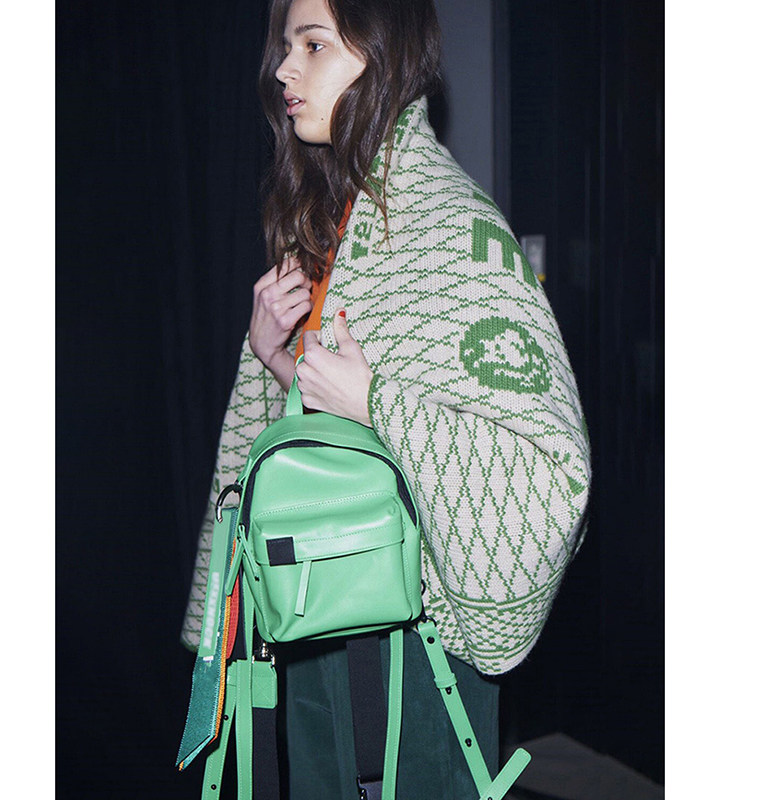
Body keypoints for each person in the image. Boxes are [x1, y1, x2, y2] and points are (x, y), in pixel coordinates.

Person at [182, 0, 591, 797]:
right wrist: (277, 359)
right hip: (314, 608)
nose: (284, 68)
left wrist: (375, 399)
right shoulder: (336, 220)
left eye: (313, 45)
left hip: (410, 644)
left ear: (380, 54)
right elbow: (336, 447)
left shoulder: (450, 228)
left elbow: (550, 466)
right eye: (286, 46)